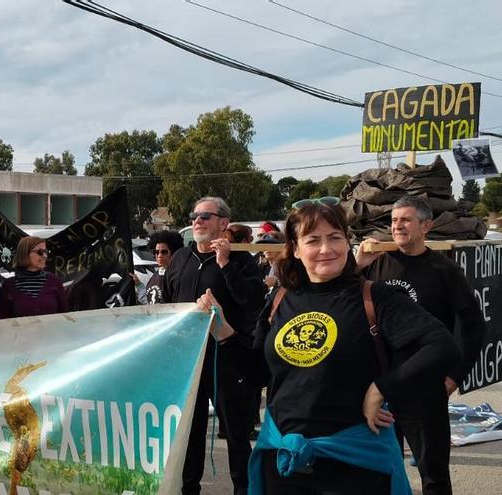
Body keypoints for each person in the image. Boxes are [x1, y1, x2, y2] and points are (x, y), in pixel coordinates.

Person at [197, 197, 459, 494]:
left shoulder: (375, 297)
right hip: (285, 462)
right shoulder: (280, 299)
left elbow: (441, 346)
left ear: (348, 243)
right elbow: (258, 374)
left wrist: (382, 388)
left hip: (354, 463)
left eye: (335, 237)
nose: (326, 249)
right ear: (295, 248)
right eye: (313, 240)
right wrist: (225, 333)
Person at [356, 195, 486, 495]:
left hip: (425, 386)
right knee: (380, 471)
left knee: (433, 475)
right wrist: (357, 265)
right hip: (377, 385)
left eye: (405, 220)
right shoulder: (376, 264)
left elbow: (474, 326)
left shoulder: (443, 269)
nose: (397, 226)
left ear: (426, 226)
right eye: (393, 220)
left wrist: (455, 375)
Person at [163, 197, 266, 495]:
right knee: (190, 435)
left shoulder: (242, 259)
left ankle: (244, 490)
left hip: (229, 358)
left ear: (223, 222)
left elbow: (252, 301)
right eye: (195, 215)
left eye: (205, 216)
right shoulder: (180, 258)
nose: (197, 221)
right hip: (189, 362)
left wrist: (225, 265)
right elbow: (169, 304)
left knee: (235, 434)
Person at [0, 236, 67, 319]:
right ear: (25, 253)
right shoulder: (9, 286)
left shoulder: (54, 281)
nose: (45, 256)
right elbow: (2, 320)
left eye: (46, 252)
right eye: (40, 252)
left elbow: (65, 315)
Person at [142, 230, 184, 304]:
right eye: (156, 252)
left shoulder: (178, 277)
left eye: (164, 252)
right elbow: (149, 303)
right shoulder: (155, 276)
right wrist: (139, 286)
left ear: (173, 252)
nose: (159, 256)